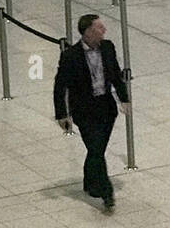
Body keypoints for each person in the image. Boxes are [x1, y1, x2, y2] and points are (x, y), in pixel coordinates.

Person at [53, 14, 130, 211]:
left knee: (97, 150)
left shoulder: (107, 47)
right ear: (87, 31)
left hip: (106, 107)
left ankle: (89, 182)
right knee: (96, 149)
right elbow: (60, 86)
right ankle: (106, 192)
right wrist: (62, 114)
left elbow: (115, 74)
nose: (103, 30)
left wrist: (124, 99)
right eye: (99, 27)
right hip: (85, 111)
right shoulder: (71, 56)